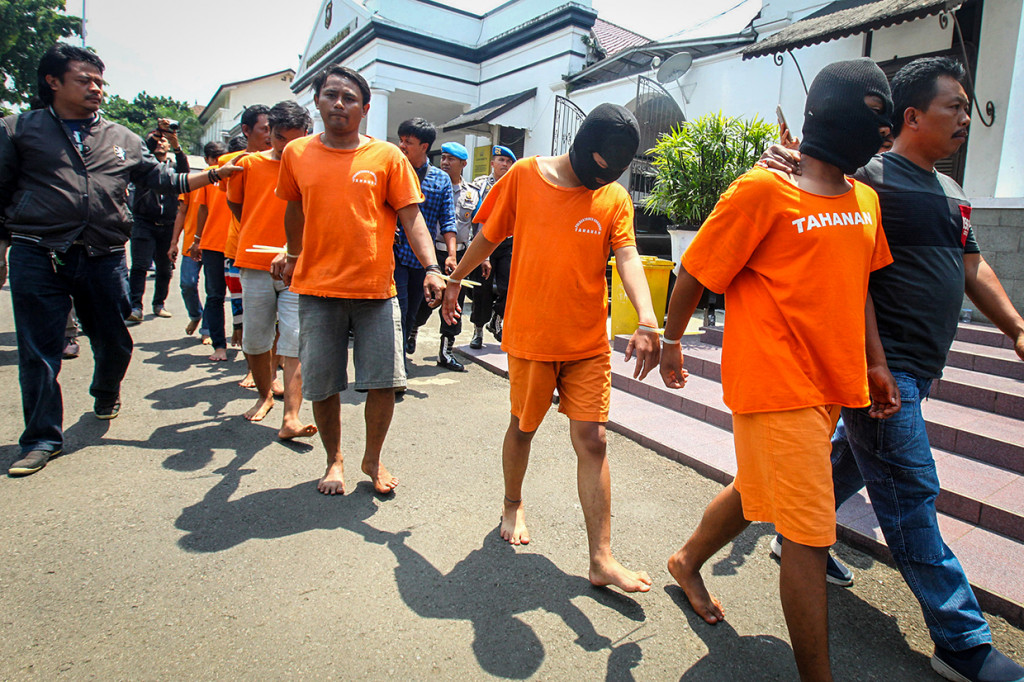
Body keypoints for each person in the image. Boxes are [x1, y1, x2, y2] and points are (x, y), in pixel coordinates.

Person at [760, 56, 1024, 682]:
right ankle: (962, 642)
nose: (966, 117)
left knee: (850, 457)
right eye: (954, 106)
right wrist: (793, 163)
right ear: (912, 116)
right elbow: (813, 198)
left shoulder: (951, 192)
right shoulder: (869, 177)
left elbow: (971, 268)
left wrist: (1015, 325)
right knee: (911, 496)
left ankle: (799, 535)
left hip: (917, 367)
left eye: (967, 107)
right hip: (881, 368)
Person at [659, 59, 899, 681]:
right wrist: (673, 341)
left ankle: (686, 560)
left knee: (755, 490)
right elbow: (695, 270)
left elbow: (861, 286)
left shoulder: (865, 199)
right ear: (831, 112)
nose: (883, 132)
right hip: (775, 380)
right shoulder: (762, 190)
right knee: (809, 536)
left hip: (830, 384)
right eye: (875, 114)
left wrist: (875, 361)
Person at [442, 103, 659, 593]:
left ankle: (601, 559)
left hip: (586, 342)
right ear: (584, 146)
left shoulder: (614, 197)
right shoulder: (523, 175)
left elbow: (627, 255)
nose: (599, 181)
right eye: (597, 168)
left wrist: (648, 319)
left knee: (594, 440)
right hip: (532, 339)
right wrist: (454, 278)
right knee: (524, 427)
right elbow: (489, 237)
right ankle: (512, 504)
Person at [0, 44, 241, 477]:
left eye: (99, 81)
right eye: (84, 80)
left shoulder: (121, 138)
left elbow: (164, 179)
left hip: (103, 255)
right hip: (38, 253)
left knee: (114, 341)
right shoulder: (18, 130)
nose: (95, 88)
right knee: (39, 350)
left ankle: (105, 388)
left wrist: (216, 174)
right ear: (53, 82)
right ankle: (40, 438)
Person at [274, 64, 444, 495]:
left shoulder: (387, 157)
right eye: (331, 95)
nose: (339, 104)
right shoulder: (296, 155)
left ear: (365, 109)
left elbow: (412, 217)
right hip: (316, 289)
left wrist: (431, 267)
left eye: (350, 99)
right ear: (317, 102)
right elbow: (294, 208)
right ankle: (334, 460)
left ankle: (373, 457)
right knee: (323, 384)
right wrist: (292, 253)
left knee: (385, 382)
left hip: (375, 291)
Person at [225, 100, 317, 440]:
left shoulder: (314, 165)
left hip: (299, 267)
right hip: (254, 264)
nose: (286, 147)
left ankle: (290, 417)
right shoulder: (248, 165)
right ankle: (265, 394)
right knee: (255, 338)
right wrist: (256, 228)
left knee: (293, 341)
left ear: (307, 134)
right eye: (279, 137)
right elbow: (236, 203)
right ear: (269, 133)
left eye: (295, 139)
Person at [413, 140, 479, 370]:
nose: (445, 162)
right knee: (425, 299)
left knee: (455, 304)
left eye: (451, 159)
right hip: (432, 254)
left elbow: (477, 226)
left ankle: (446, 351)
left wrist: (484, 257)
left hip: (459, 254)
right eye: (443, 157)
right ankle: (413, 329)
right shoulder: (430, 185)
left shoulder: (472, 193)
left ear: (463, 163)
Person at [392, 117, 455, 357]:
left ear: (424, 147)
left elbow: (447, 220)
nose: (402, 145)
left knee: (414, 312)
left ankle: (400, 358)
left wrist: (450, 256)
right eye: (401, 140)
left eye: (408, 141)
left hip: (422, 261)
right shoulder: (393, 171)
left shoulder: (440, 179)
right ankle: (396, 366)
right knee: (399, 308)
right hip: (394, 255)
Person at [126, 121, 190, 322]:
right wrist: (155, 136)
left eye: (165, 141)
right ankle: (135, 306)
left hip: (167, 224)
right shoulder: (143, 167)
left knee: (165, 268)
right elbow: (146, 150)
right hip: (144, 222)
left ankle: (159, 304)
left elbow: (185, 172)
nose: (162, 143)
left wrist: (177, 146)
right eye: (159, 140)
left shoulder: (172, 166)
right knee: (140, 266)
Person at [169, 141, 227, 341]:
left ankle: (207, 331)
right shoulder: (196, 181)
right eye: (214, 159)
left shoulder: (228, 180)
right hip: (192, 244)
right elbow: (182, 211)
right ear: (207, 160)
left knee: (214, 292)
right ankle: (195, 315)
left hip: (215, 243)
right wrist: (174, 242)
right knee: (188, 284)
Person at [468, 145, 515, 346]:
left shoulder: (516, 184)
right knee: (482, 290)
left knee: (510, 287)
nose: (504, 164)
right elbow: (476, 219)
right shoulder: (480, 186)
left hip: (508, 244)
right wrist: (483, 255)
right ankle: (478, 330)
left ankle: (497, 318)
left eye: (508, 161)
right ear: (492, 163)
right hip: (485, 243)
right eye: (501, 160)